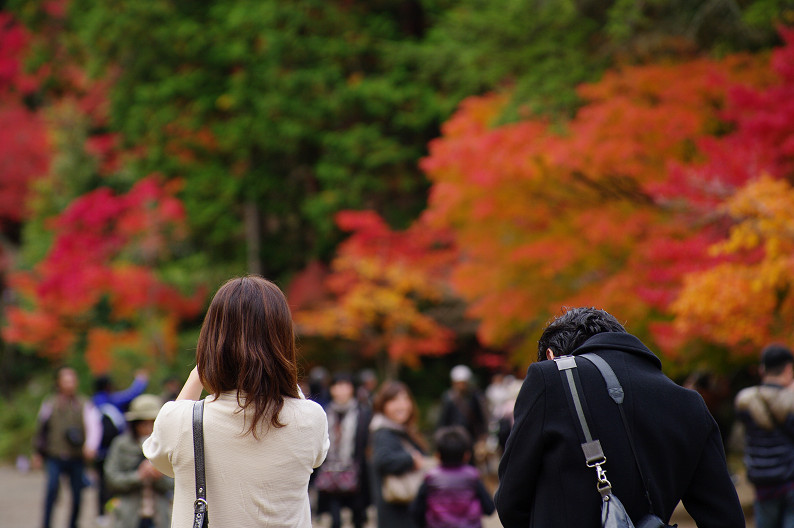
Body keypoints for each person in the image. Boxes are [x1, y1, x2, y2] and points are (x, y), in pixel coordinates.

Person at [495, 307, 745, 528]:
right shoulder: (690, 404)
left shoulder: (549, 379)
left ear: (552, 356)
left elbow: (511, 500)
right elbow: (725, 517)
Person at [142, 276, 329, 528]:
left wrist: (197, 374)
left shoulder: (180, 420)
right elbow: (316, 454)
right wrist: (279, 372)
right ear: (283, 341)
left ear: (212, 340)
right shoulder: (310, 418)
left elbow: (159, 458)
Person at [33, 366, 103, 528]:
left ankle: (73, 524)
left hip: (76, 455)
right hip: (55, 454)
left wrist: (90, 446)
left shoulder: (84, 403)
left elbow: (93, 426)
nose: (70, 384)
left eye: (72, 380)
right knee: (51, 490)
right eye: (66, 380)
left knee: (78, 494)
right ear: (58, 383)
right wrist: (38, 452)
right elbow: (42, 428)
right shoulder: (50, 403)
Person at [735, 343, 794, 528]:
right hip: (790, 480)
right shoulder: (790, 400)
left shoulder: (745, 400)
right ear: (788, 368)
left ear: (762, 369)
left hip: (762, 482)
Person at [105, 394, 173, 528]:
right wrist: (139, 476)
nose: (148, 428)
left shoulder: (168, 446)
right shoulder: (121, 445)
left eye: (152, 423)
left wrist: (159, 475)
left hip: (160, 516)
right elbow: (111, 478)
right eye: (143, 423)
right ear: (134, 424)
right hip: (128, 517)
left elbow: (177, 484)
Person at [315, 373, 372, 528]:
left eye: (345, 385)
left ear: (352, 388)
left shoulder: (363, 413)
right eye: (337, 386)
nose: (341, 390)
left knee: (358, 516)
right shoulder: (324, 412)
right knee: (335, 519)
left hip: (355, 471)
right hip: (331, 471)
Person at [93, 370, 150, 525]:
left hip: (98, 451)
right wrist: (141, 380)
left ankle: (101, 513)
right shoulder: (111, 401)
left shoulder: (93, 403)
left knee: (102, 483)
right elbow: (131, 395)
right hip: (111, 448)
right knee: (110, 480)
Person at [410, 426, 495, 528]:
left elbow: (416, 510)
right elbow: (489, 508)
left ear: (437, 455)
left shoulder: (430, 478)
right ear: (466, 455)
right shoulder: (472, 476)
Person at [370, 380, 428, 528]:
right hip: (395, 512)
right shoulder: (383, 432)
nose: (401, 405)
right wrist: (411, 459)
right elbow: (382, 460)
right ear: (383, 405)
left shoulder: (402, 430)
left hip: (404, 509)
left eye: (405, 399)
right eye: (394, 400)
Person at [437, 365, 488, 462]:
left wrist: (482, 436)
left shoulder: (474, 397)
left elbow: (480, 418)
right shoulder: (448, 398)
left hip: (470, 439)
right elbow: (443, 420)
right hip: (453, 439)